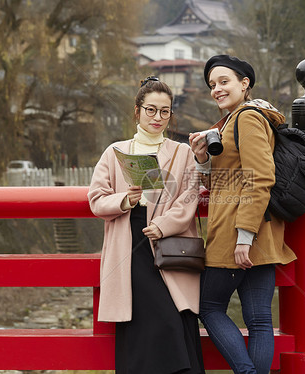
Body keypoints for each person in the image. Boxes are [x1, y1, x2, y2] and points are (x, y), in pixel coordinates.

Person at [88, 76, 204, 374]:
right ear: (137, 111)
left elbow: (190, 196)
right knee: (147, 318)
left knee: (173, 318)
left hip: (168, 240)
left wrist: (164, 224)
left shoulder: (182, 153)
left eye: (164, 111)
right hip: (129, 240)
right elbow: (97, 200)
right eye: (151, 110)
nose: (158, 118)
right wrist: (125, 199)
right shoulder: (115, 152)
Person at [189, 55, 297, 374]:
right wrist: (202, 160)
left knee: (208, 308)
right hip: (259, 232)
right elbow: (224, 182)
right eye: (212, 85)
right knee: (260, 320)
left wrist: (243, 237)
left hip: (238, 234)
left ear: (244, 83)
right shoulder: (241, 119)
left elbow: (261, 176)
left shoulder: (246, 118)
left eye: (224, 82)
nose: (217, 89)